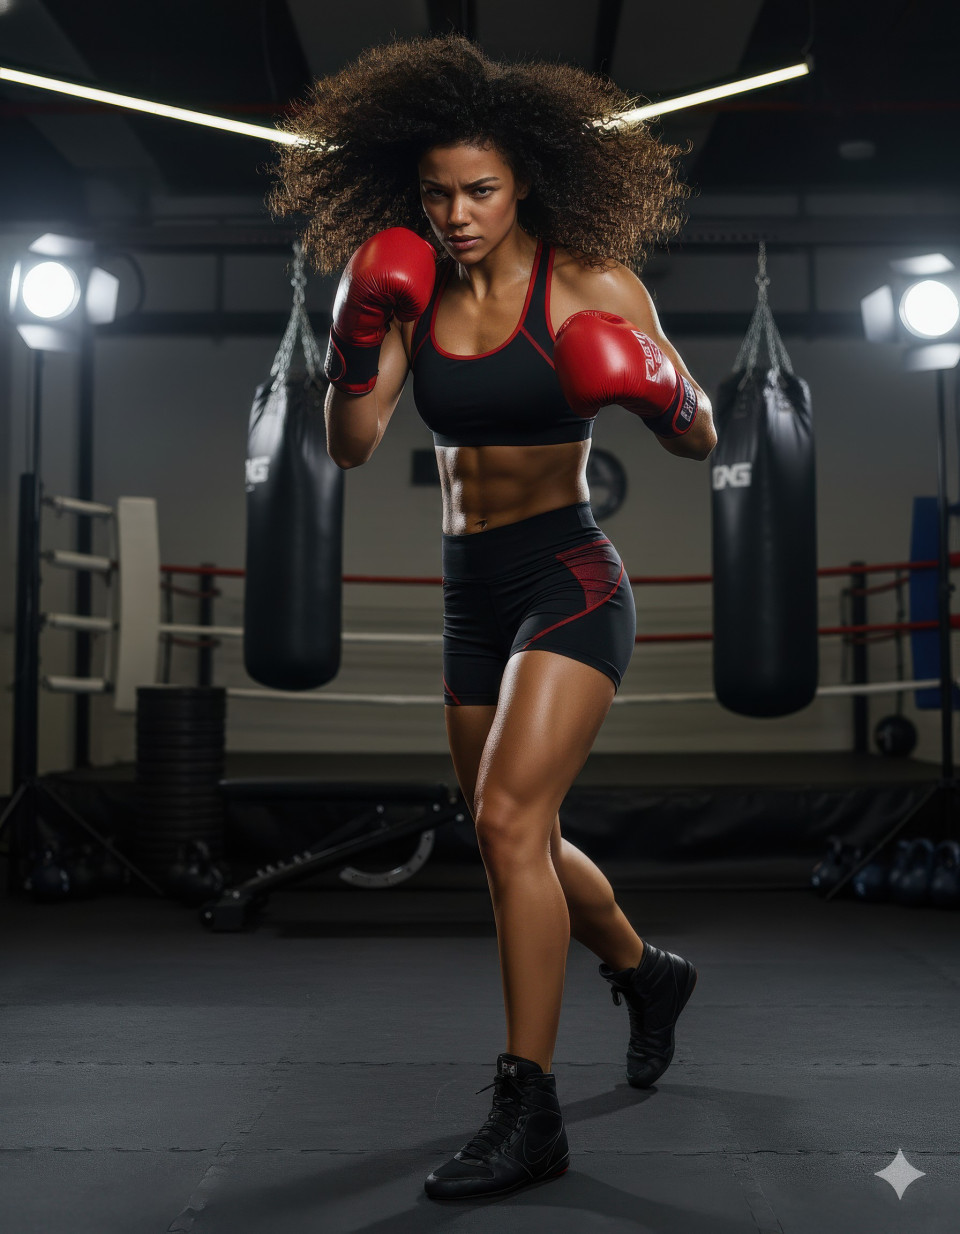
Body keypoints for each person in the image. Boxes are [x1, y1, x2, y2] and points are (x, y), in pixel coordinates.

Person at [271, 33, 717, 1202]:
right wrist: (356, 326)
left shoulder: (591, 281)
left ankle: (531, 1107)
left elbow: (702, 434)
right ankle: (642, 966)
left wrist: (656, 382)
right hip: (470, 590)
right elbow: (354, 444)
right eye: (436, 193)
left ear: (525, 183)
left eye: (479, 190)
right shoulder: (408, 285)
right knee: (501, 828)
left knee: (515, 816)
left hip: (570, 574)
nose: (458, 214)